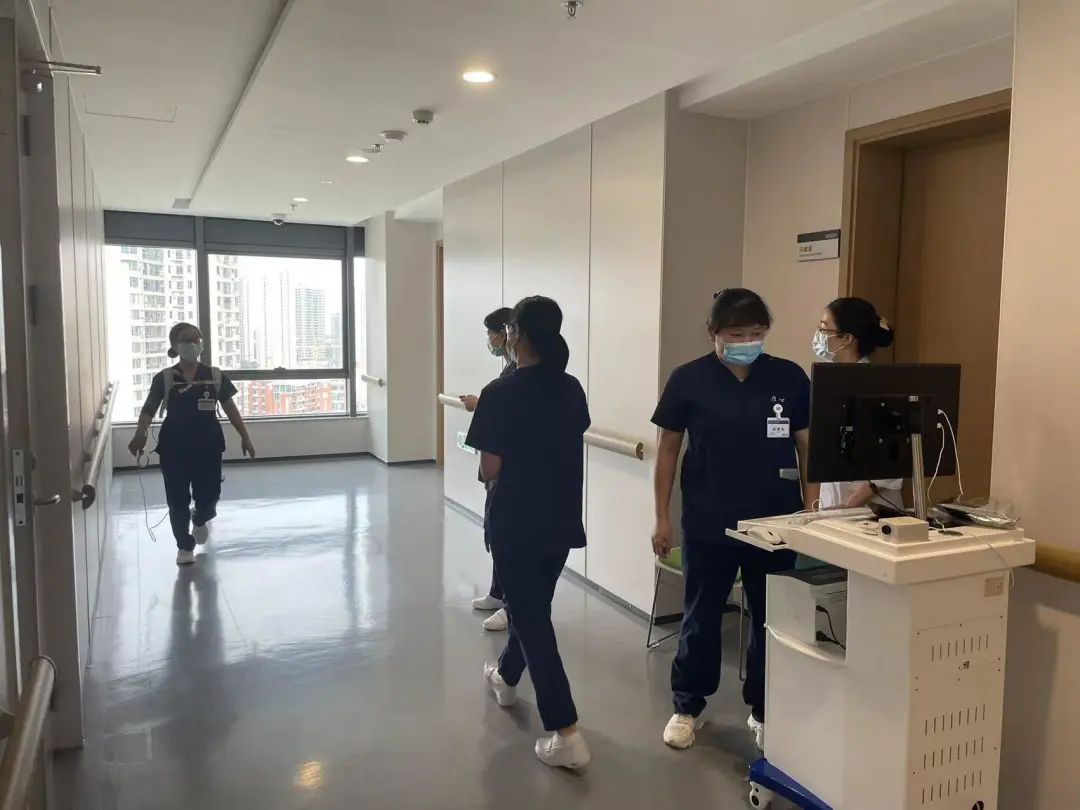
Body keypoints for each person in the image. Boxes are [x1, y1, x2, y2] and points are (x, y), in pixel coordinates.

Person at [651, 288, 818, 752]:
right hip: (709, 519)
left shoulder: (788, 377)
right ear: (714, 333)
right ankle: (687, 706)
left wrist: (811, 507)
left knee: (770, 620)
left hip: (775, 522)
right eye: (737, 334)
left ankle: (763, 709)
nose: (748, 341)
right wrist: (661, 518)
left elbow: (808, 447)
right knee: (701, 618)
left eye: (756, 333)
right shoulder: (688, 380)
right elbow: (667, 453)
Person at [466, 296, 592, 769]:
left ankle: (566, 731)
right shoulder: (571, 388)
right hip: (560, 519)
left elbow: (489, 469)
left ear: (515, 334)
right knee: (532, 606)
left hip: (516, 521)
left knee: (533, 617)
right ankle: (505, 675)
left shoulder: (499, 393)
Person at [128, 323, 255, 565]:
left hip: (208, 446)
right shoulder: (165, 378)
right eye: (188, 340)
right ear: (175, 346)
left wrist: (245, 436)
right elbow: (149, 408)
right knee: (177, 500)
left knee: (210, 497)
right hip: (174, 447)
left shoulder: (214, 376)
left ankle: (200, 517)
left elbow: (230, 407)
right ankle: (184, 546)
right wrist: (140, 432)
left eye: (198, 339)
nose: (194, 344)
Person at [811, 297, 901, 511]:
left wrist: (848, 505)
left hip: (869, 509)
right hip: (834, 505)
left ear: (847, 338)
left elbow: (895, 459)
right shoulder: (831, 381)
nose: (819, 336)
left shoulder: (877, 387)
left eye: (824, 329)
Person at [461, 307, 517, 632]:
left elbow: (508, 413)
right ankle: (498, 592)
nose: (489, 340)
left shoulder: (519, 375)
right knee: (496, 532)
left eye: (491, 334)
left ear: (507, 333)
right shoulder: (509, 369)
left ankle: (512, 603)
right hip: (500, 469)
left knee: (507, 536)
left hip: (510, 470)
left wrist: (480, 404)